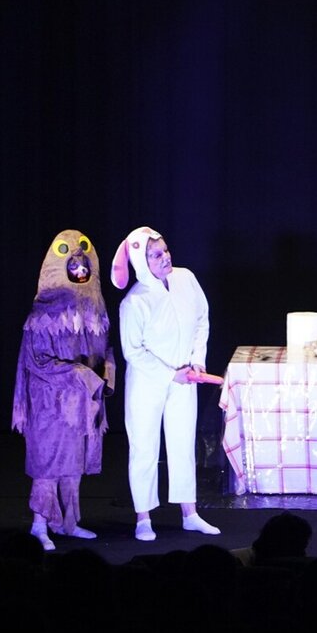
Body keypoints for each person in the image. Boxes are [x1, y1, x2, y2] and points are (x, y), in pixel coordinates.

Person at [111, 226, 220, 539]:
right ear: (141, 262)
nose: (165, 257)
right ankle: (143, 518)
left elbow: (201, 319)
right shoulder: (134, 302)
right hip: (148, 383)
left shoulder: (186, 279)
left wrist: (197, 360)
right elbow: (133, 352)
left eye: (165, 250)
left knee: (183, 444)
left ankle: (190, 513)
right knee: (144, 447)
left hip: (185, 378)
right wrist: (170, 374)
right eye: (155, 254)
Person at [12, 229, 115, 551]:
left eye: (84, 266)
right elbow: (37, 362)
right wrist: (80, 375)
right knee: (49, 463)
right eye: (73, 266)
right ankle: (39, 524)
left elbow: (104, 350)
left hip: (82, 404)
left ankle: (69, 522)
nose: (80, 270)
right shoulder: (43, 313)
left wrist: (107, 371)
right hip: (51, 403)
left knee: (74, 462)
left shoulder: (96, 311)